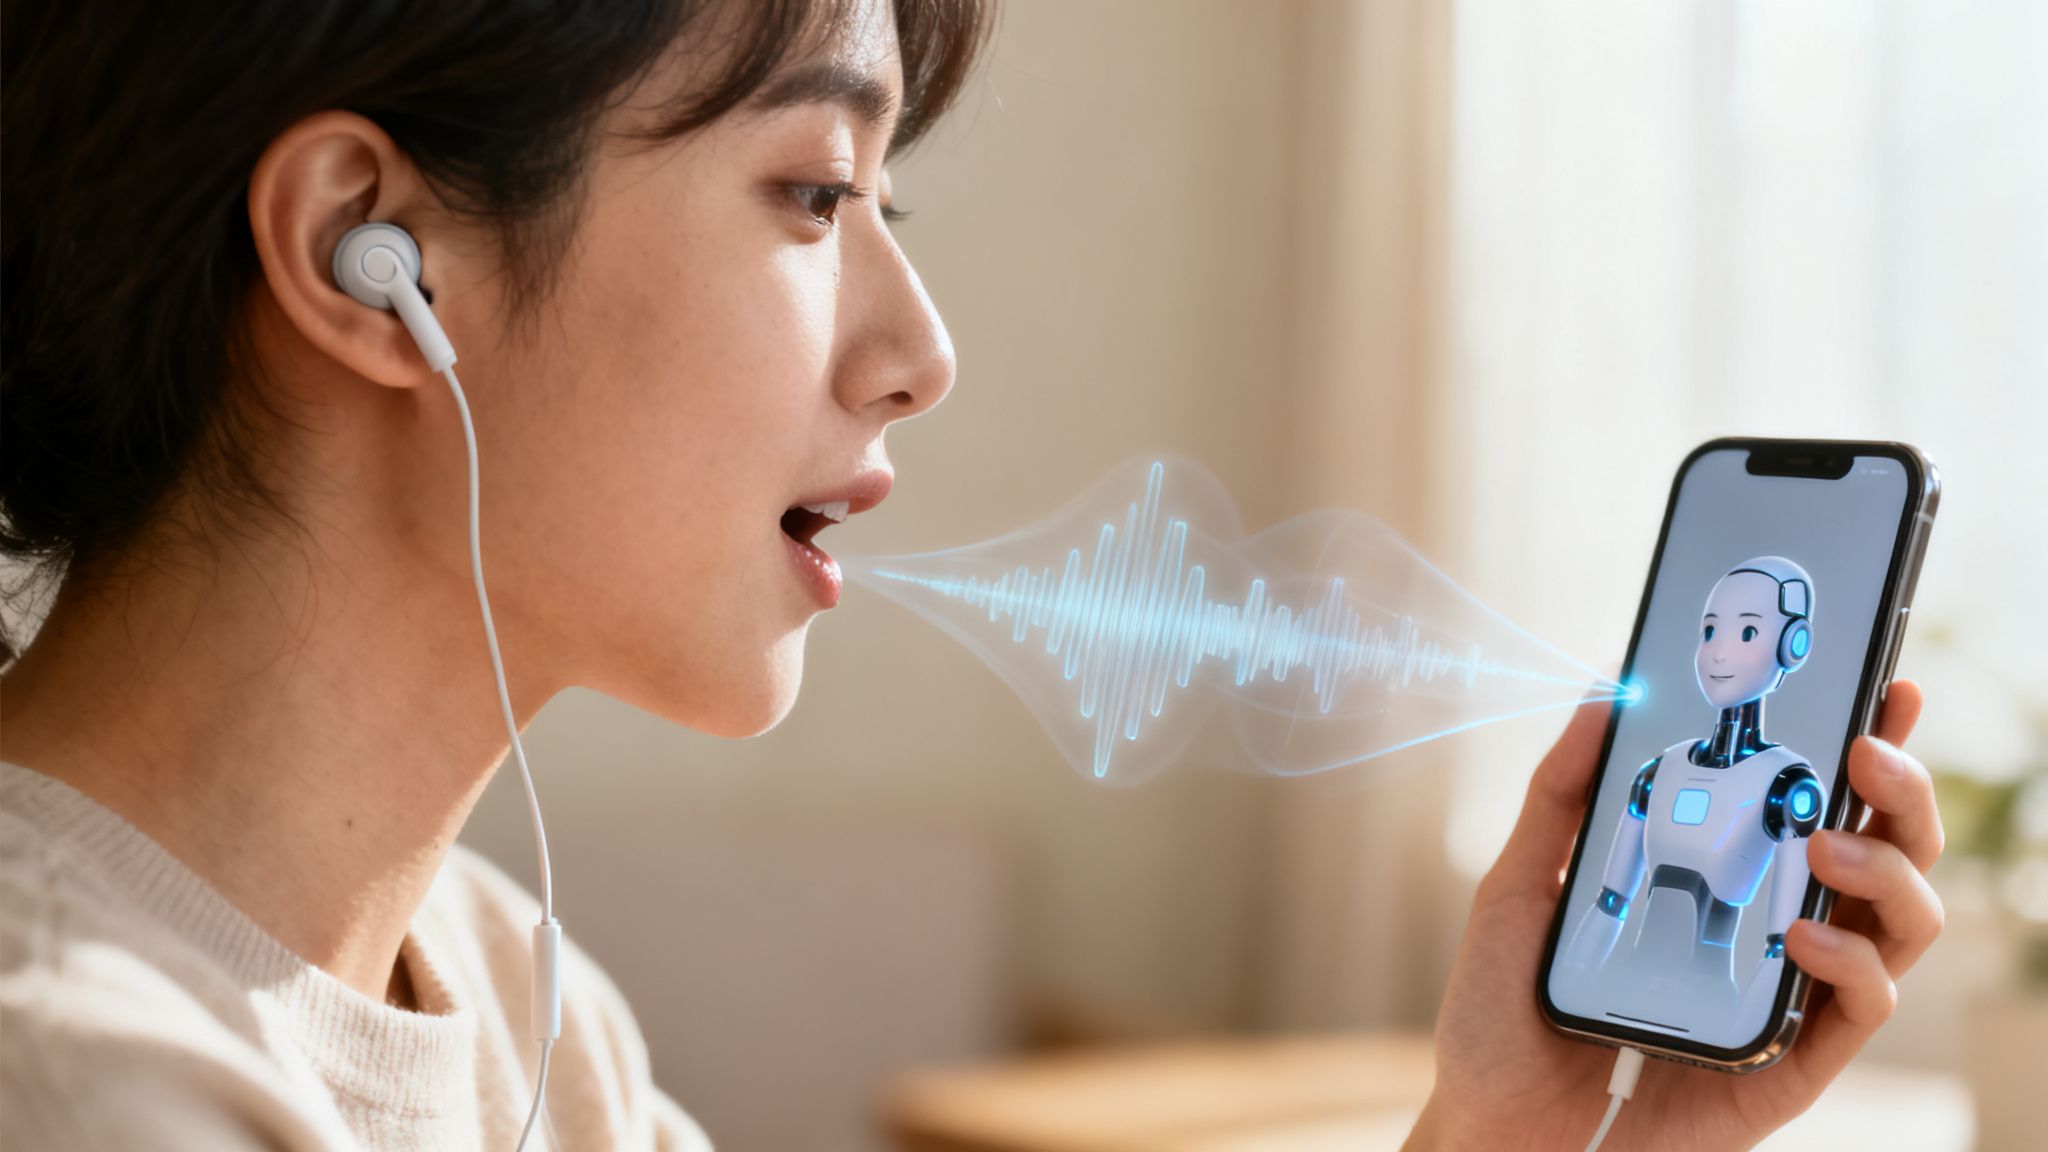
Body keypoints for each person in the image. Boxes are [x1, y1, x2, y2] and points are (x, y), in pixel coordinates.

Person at [0, 1, 1944, 1149]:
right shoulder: (85, 1081)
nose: (920, 347)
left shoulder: (512, 999)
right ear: (372, 250)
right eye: (813, 193)